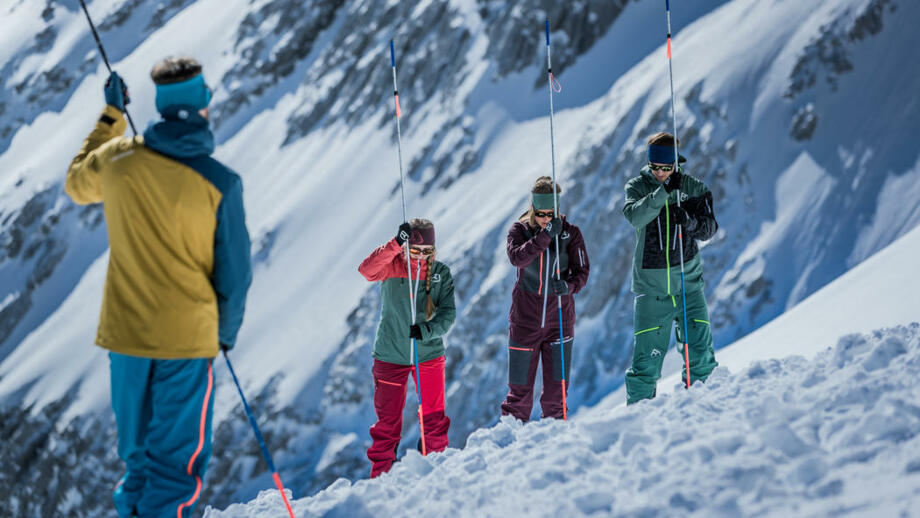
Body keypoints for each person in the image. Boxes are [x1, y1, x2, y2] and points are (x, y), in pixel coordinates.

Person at [65, 57, 252, 517]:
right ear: (202, 105)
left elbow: (76, 184)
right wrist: (222, 336)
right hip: (187, 342)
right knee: (173, 471)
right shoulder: (220, 182)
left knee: (138, 464)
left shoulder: (118, 160)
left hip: (126, 337)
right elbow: (235, 274)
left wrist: (111, 118)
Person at [622, 132, 718, 404]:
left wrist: (688, 221)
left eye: (667, 168)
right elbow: (635, 215)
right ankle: (638, 423)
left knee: (700, 355)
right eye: (656, 168)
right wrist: (663, 192)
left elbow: (709, 228)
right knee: (645, 367)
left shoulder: (693, 187)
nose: (661, 173)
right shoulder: (637, 187)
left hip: (689, 285)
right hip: (652, 292)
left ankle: (705, 412)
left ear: (676, 164)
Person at [358, 218, 455, 477]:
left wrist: (427, 330)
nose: (422, 257)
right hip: (390, 356)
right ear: (406, 248)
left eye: (427, 251)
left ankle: (435, 473)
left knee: (434, 420)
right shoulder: (392, 267)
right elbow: (367, 271)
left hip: (429, 354)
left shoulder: (440, 273)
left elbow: (447, 314)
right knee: (387, 425)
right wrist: (394, 244)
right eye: (415, 250)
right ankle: (381, 479)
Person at [501, 176, 590, 421]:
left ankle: (554, 445)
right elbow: (518, 258)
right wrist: (544, 237)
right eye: (541, 213)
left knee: (556, 394)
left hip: (559, 322)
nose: (546, 219)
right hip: (524, 322)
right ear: (532, 209)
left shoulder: (571, 234)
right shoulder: (519, 231)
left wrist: (569, 286)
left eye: (551, 213)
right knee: (518, 395)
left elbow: (582, 272)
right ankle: (510, 443)